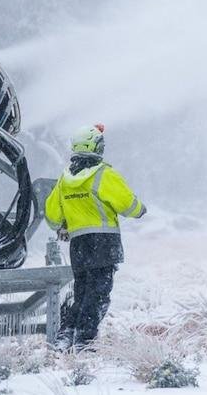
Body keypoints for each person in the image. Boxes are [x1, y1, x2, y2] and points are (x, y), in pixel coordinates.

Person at [45, 123, 147, 350]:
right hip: (103, 243)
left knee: (82, 291)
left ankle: (65, 336)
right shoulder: (104, 175)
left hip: (78, 244)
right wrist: (140, 210)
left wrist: (64, 225)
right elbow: (128, 205)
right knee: (98, 292)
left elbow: (51, 214)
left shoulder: (64, 181)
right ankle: (84, 340)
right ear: (96, 148)